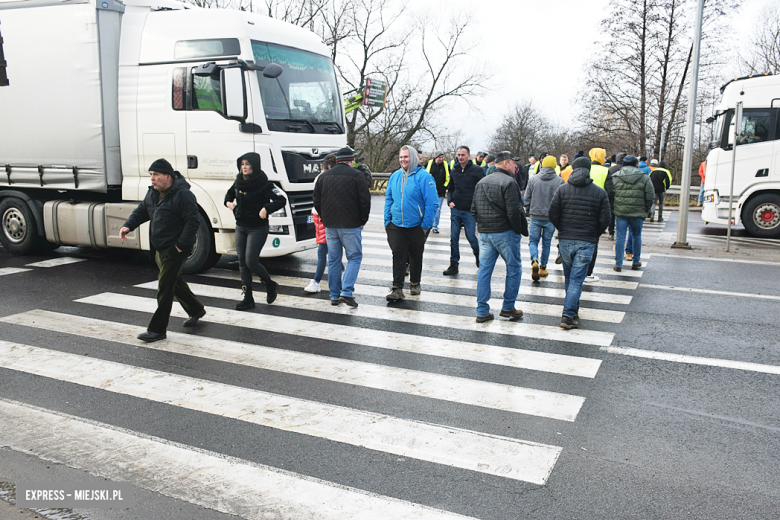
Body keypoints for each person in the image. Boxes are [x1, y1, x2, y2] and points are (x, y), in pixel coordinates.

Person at [119, 158, 206, 342]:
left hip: (175, 249)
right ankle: (196, 309)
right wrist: (128, 226)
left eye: (156, 175)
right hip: (160, 247)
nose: (152, 179)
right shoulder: (153, 193)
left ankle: (157, 329)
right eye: (151, 175)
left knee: (165, 286)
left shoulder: (183, 195)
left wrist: (180, 246)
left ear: (168, 176)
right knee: (173, 281)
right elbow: (142, 210)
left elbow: (193, 221)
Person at [548, 156, 611, 330]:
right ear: (588, 170)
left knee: (569, 277)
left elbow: (552, 213)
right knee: (577, 279)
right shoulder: (599, 192)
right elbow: (605, 219)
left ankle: (573, 309)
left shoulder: (563, 190)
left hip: (566, 240)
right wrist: (594, 233)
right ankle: (568, 315)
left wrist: (562, 229)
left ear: (573, 169)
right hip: (587, 241)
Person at [225, 153, 287, 309]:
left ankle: (269, 284)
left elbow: (281, 200)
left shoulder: (264, 184)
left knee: (251, 261)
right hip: (241, 226)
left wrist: (267, 208)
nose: (244, 167)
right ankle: (248, 298)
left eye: (247, 164)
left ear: (254, 165)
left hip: (257, 228)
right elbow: (229, 194)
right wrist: (229, 203)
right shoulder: (239, 181)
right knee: (242, 263)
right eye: (242, 164)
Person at [312, 147, 371, 307]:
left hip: (330, 225)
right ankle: (346, 292)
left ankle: (334, 295)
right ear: (351, 161)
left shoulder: (324, 177)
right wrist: (362, 220)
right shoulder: (358, 176)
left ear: (338, 160)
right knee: (354, 257)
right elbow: (365, 201)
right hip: (351, 225)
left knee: (333, 260)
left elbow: (316, 200)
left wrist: (325, 216)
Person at [471, 151, 525, 323]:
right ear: (505, 164)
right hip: (505, 232)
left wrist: (484, 224)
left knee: (484, 271)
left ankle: (482, 310)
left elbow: (473, 209)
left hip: (485, 234)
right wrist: (517, 230)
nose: (516, 166)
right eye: (513, 163)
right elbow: (514, 211)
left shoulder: (481, 182)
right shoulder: (509, 182)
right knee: (514, 268)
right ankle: (508, 306)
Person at [385, 145, 438, 301]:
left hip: (416, 224)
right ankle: (397, 288)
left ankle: (415, 283)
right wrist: (387, 221)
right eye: (401, 157)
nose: (403, 160)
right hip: (396, 225)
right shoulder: (395, 176)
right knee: (398, 254)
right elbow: (389, 199)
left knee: (415, 256)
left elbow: (432, 203)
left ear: (413, 158)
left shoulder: (424, 177)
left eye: (406, 157)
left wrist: (425, 226)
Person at [443, 146, 484, 275]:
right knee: (453, 237)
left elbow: (483, 188)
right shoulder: (454, 170)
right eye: (459, 155)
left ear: (468, 155)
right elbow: (451, 188)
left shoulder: (477, 170)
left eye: (463, 155)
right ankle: (453, 264)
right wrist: (450, 201)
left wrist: (477, 205)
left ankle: (479, 258)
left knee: (471, 236)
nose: (460, 157)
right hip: (456, 209)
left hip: (469, 211)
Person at [524, 154, 563, 281]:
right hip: (550, 218)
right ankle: (543, 267)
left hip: (535, 215)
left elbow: (526, 198)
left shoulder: (533, 179)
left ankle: (534, 259)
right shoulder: (559, 181)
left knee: (533, 241)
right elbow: (561, 201)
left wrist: (528, 209)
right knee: (546, 243)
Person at [612, 155, 654, 272]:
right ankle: (636, 261)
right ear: (636, 164)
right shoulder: (644, 177)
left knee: (620, 237)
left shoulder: (615, 177)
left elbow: (611, 194)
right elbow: (650, 196)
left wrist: (614, 208)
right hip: (637, 213)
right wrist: (645, 209)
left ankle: (618, 263)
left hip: (620, 212)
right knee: (636, 236)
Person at [305, 154, 337, 293]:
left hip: (321, 216)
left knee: (323, 250)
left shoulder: (320, 177)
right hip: (325, 216)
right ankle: (333, 273)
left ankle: (317, 281)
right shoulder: (330, 178)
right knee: (327, 248)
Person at [584, 148, 613, 283]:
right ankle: (589, 272)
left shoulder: (586, 169)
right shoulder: (605, 171)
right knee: (593, 242)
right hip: (598, 209)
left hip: (583, 207)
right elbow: (610, 192)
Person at [425, 150, 449, 234]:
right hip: (429, 191)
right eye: (439, 157)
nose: (441, 159)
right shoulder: (429, 164)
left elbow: (448, 177)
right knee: (428, 208)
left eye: (442, 157)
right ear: (435, 157)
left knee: (437, 209)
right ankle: (427, 225)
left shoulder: (445, 165)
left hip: (440, 192)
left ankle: (435, 226)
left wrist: (444, 187)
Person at [607, 152, 626, 240]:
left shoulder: (611, 169)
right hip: (624, 195)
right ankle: (621, 232)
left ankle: (611, 231)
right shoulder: (628, 169)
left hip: (613, 194)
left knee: (612, 213)